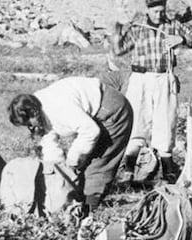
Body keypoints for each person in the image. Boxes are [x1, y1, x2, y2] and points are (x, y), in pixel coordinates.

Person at [111, 0, 192, 183]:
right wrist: (117, 31)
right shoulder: (137, 28)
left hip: (164, 76)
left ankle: (168, 169)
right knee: (136, 118)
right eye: (154, 11)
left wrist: (183, 39)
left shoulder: (173, 25)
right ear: (148, 9)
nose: (158, 14)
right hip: (140, 77)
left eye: (161, 10)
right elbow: (119, 51)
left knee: (165, 119)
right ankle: (129, 168)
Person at [7, 76, 132, 209]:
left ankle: (90, 207)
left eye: (29, 124)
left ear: (33, 112)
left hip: (112, 109)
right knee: (81, 166)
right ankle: (81, 198)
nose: (30, 128)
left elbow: (90, 130)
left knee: (99, 162)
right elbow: (49, 141)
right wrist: (57, 172)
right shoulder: (37, 106)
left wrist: (73, 159)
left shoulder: (59, 107)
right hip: (92, 115)